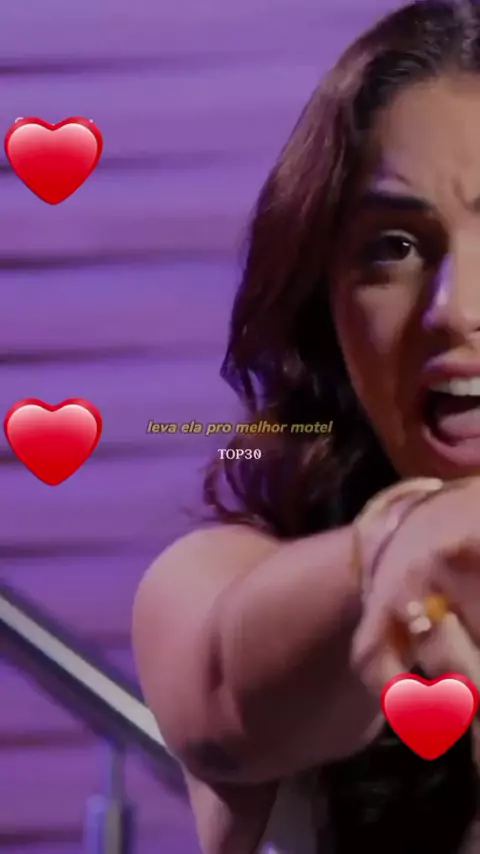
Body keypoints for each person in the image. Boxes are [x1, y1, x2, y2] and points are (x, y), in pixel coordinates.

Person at [132, 1, 480, 851]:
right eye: (393, 246)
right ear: (327, 310)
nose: (455, 308)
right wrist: (399, 544)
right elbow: (227, 697)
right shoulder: (210, 584)